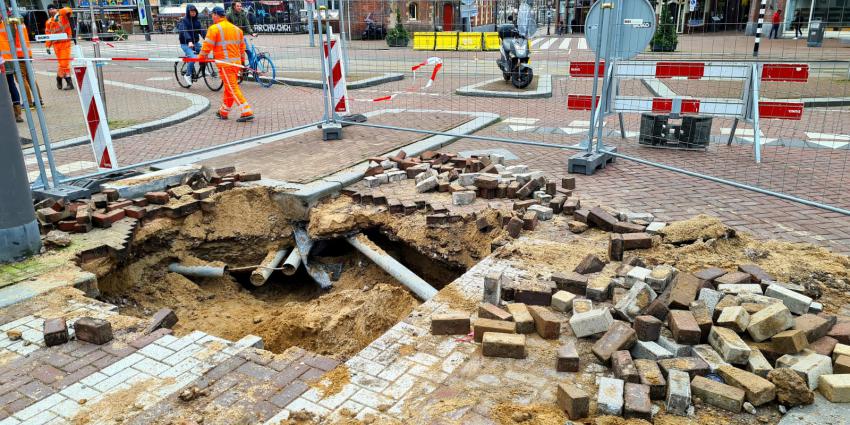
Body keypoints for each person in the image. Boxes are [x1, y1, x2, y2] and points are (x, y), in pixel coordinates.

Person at [199, 6, 254, 121]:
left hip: (225, 64)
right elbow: (242, 49)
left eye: (212, 15)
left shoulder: (214, 28)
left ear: (215, 15)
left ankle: (246, 111)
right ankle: (223, 112)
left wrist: (201, 58)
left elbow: (206, 46)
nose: (211, 17)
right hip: (236, 64)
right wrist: (242, 64)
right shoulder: (237, 29)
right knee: (229, 88)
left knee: (232, 88)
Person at [45, 4, 73, 90]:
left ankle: (62, 79)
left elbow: (68, 9)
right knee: (63, 64)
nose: (51, 10)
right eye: (49, 9)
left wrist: (58, 13)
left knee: (64, 63)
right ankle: (65, 81)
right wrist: (47, 46)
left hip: (65, 43)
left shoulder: (63, 16)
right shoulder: (48, 22)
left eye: (53, 8)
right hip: (56, 46)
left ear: (56, 9)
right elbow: (48, 35)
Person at [1, 13, 23, 122]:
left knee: (10, 85)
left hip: (6, 60)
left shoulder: (7, 24)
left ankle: (16, 113)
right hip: (8, 59)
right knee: (10, 85)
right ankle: (15, 113)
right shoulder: (8, 24)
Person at [177, 4, 205, 87]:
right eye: (191, 12)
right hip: (185, 43)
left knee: (205, 52)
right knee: (193, 58)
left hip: (195, 43)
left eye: (194, 11)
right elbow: (184, 31)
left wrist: (207, 38)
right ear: (188, 12)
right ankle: (188, 75)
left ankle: (203, 69)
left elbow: (202, 31)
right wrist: (189, 41)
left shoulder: (197, 21)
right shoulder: (183, 21)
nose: (193, 13)